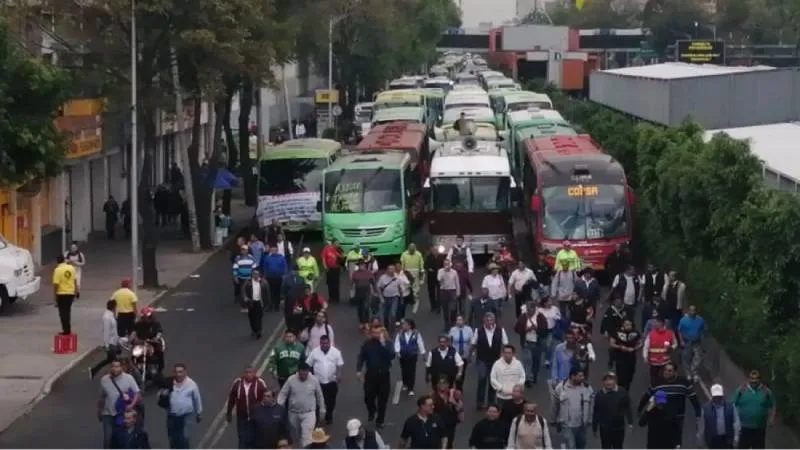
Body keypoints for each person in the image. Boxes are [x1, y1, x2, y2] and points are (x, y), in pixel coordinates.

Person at [637, 362, 701, 447]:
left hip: (678, 416)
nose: (666, 372)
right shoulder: (656, 383)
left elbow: (694, 399)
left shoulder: (684, 383)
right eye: (665, 370)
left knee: (675, 437)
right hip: (660, 419)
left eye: (670, 371)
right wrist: (640, 409)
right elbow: (646, 396)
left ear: (675, 372)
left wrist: (698, 416)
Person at [277, 362, 325, 448]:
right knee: (296, 437)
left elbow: (319, 396)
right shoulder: (291, 380)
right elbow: (283, 394)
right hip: (293, 413)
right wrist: (279, 407)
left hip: (309, 413)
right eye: (301, 374)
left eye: (305, 374)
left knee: (307, 438)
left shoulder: (314, 380)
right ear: (298, 372)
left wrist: (322, 409)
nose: (304, 376)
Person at [356, 325, 395, 428]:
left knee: (383, 400)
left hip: (384, 375)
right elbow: (361, 357)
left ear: (382, 333)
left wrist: (383, 344)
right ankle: (372, 410)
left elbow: (391, 356)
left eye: (378, 333)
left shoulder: (387, 343)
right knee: (368, 396)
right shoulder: (367, 344)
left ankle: (380, 420)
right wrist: (359, 370)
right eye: (373, 332)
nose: (375, 335)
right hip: (371, 375)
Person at [98, 359, 141, 448]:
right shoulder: (104, 380)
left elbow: (137, 393)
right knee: (108, 438)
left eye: (117, 366)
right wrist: (99, 410)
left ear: (121, 367)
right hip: (108, 413)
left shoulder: (128, 378)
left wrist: (131, 405)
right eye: (113, 366)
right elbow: (102, 396)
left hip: (122, 414)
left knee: (121, 438)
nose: (115, 369)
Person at [470, 312, 509, 410]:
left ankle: (491, 402)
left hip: (495, 360)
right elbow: (473, 344)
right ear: (484, 321)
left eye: (491, 320)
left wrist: (504, 356)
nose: (489, 322)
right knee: (482, 380)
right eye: (487, 320)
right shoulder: (478, 331)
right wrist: (470, 355)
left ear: (494, 320)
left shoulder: (501, 330)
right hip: (482, 359)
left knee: (493, 381)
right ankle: (480, 402)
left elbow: (505, 344)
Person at [225, 367, 269, 449]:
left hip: (256, 417)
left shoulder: (260, 383)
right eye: (246, 372)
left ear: (254, 373)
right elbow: (231, 399)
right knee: (242, 438)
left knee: (255, 438)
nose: (248, 374)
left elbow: (267, 398)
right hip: (242, 417)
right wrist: (229, 413)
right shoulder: (237, 383)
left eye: (250, 372)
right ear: (243, 373)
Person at [731, 369, 775, 449]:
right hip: (744, 428)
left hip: (760, 428)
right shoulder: (741, 390)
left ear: (760, 380)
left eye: (756, 381)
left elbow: (772, 405)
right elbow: (732, 404)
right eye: (752, 381)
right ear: (748, 380)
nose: (754, 383)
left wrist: (772, 418)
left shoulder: (766, 392)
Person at [553, 367, 594, 450]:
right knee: (570, 446)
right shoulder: (561, 388)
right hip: (567, 425)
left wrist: (590, 419)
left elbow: (592, 405)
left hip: (582, 425)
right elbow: (555, 405)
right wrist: (554, 419)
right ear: (572, 376)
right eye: (580, 376)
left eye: (583, 376)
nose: (582, 378)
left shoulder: (587, 388)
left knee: (581, 446)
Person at [306, 335, 343, 425]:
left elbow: (339, 365)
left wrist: (339, 375)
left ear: (329, 343)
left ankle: (329, 416)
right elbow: (309, 364)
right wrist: (311, 377)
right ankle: (316, 418)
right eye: (322, 343)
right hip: (318, 382)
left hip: (331, 381)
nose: (324, 345)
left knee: (331, 401)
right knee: (317, 401)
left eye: (326, 343)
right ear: (320, 343)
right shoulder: (314, 352)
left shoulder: (336, 352)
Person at [165, 363, 203, 450]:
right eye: (176, 372)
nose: (178, 374)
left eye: (180, 372)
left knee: (184, 439)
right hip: (172, 416)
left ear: (185, 372)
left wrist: (199, 413)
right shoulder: (169, 383)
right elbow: (160, 396)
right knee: (173, 440)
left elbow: (197, 399)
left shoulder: (192, 384)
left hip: (186, 416)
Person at [592, 372, 633, 449]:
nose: (608, 382)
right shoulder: (600, 395)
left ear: (615, 381)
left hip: (619, 428)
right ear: (603, 382)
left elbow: (627, 407)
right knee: (605, 447)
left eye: (611, 380)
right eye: (606, 380)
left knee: (618, 447)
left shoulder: (622, 392)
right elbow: (596, 412)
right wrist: (594, 428)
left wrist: (630, 422)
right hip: (605, 428)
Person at [698, 384, 740, 449]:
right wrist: (701, 442)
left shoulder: (731, 406)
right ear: (712, 396)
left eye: (719, 396)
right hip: (712, 441)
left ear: (722, 395)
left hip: (728, 439)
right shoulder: (705, 409)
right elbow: (701, 427)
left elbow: (736, 422)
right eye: (715, 396)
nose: (717, 398)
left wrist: (736, 437)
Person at [515, 300, 548, 385]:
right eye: (528, 309)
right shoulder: (523, 317)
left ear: (534, 309)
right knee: (527, 360)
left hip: (537, 343)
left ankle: (534, 375)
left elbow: (545, 330)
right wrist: (526, 330)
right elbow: (516, 328)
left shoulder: (540, 317)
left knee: (536, 360)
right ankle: (527, 378)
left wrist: (536, 329)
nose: (529, 311)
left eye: (531, 309)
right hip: (526, 342)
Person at [642, 316, 677, 385]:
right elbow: (646, 346)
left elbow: (675, 344)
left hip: (665, 362)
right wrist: (645, 357)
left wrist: (671, 347)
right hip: (654, 363)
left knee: (664, 380)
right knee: (654, 380)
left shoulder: (670, 333)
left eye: (656, 322)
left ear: (661, 323)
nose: (654, 323)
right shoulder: (651, 334)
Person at [608, 319, 641, 391]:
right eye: (626, 324)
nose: (628, 326)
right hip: (620, 357)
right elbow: (611, 343)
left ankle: (626, 390)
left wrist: (634, 349)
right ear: (623, 325)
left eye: (630, 325)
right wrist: (620, 347)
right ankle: (620, 391)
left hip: (631, 358)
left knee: (630, 376)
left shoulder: (635, 332)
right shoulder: (617, 332)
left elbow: (640, 343)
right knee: (621, 376)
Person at [90, 300, 120, 379]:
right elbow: (106, 331)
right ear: (114, 307)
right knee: (116, 361)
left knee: (109, 360)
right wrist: (106, 345)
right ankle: (115, 376)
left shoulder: (111, 315)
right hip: (110, 343)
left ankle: (94, 370)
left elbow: (114, 330)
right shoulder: (107, 317)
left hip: (113, 341)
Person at [396, 318, 426, 396]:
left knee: (412, 371)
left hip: (413, 355)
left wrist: (423, 353)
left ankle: (411, 388)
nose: (403, 326)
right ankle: (405, 383)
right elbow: (397, 343)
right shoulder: (400, 333)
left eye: (404, 324)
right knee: (404, 370)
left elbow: (420, 343)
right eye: (403, 324)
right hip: (403, 355)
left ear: (409, 325)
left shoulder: (416, 333)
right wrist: (398, 352)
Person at [130, 307, 165, 374]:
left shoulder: (155, 323)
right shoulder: (138, 324)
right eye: (144, 317)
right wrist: (132, 339)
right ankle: (136, 368)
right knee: (134, 355)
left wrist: (156, 338)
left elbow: (159, 332)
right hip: (141, 343)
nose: (146, 318)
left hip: (152, 342)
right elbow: (133, 332)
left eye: (148, 317)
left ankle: (159, 370)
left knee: (159, 353)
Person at [431, 378, 464, 449]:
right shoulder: (433, 396)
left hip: (450, 424)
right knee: (438, 444)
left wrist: (453, 401)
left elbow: (460, 407)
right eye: (440, 383)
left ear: (448, 385)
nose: (442, 385)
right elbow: (429, 411)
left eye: (444, 383)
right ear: (437, 385)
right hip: (438, 424)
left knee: (449, 442)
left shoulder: (454, 394)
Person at [490, 344, 526, 409]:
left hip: (515, 397)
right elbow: (493, 378)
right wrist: (500, 388)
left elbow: (522, 376)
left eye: (509, 353)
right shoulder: (497, 364)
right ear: (502, 353)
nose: (507, 355)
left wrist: (518, 388)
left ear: (513, 354)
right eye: (505, 353)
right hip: (502, 396)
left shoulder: (518, 364)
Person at [677, 305, 706, 381]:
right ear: (688, 311)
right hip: (687, 342)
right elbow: (679, 331)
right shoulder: (683, 320)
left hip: (697, 342)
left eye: (694, 310)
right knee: (686, 358)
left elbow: (702, 331)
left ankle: (694, 371)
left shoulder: (700, 320)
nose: (693, 312)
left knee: (698, 358)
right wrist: (681, 341)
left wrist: (703, 342)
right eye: (691, 310)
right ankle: (688, 374)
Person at [53, 254, 77, 335]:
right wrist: (76, 292)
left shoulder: (57, 270)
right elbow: (75, 281)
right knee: (67, 312)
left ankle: (66, 330)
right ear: (64, 260)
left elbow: (56, 285)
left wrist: (55, 298)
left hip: (62, 294)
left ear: (57, 261)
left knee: (63, 313)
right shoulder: (71, 268)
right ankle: (67, 329)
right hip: (70, 293)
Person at [447, 314, 473, 391]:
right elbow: (449, 341)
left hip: (465, 354)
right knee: (453, 370)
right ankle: (450, 387)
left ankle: (459, 388)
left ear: (464, 321)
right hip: (455, 354)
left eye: (460, 320)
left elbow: (472, 342)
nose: (459, 322)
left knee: (462, 372)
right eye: (457, 320)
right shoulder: (453, 329)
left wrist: (471, 354)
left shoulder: (469, 329)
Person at [243, 269, 269, 339]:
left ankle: (258, 331)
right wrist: (245, 298)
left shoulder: (263, 282)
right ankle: (254, 330)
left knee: (259, 317)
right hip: (251, 302)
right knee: (252, 317)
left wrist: (267, 303)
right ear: (252, 275)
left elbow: (267, 293)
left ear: (259, 274)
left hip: (259, 302)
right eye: (254, 274)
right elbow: (244, 291)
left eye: (257, 274)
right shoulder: (248, 282)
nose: (255, 275)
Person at [351, 260, 377, 330]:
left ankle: (366, 322)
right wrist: (352, 293)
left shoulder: (369, 273)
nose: (361, 266)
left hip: (366, 292)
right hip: (358, 292)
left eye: (362, 265)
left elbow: (373, 282)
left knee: (366, 307)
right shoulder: (355, 273)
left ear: (364, 266)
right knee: (359, 308)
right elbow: (352, 284)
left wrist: (375, 291)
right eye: (360, 265)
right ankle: (361, 322)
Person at [262, 245, 288, 312]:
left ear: (277, 250)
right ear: (270, 250)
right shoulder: (267, 258)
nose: (273, 251)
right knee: (270, 292)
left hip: (278, 277)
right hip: (269, 277)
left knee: (277, 292)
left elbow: (285, 266)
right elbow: (265, 267)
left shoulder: (281, 257)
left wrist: (284, 274)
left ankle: (277, 306)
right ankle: (270, 305)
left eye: (274, 250)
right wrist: (264, 276)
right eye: (272, 250)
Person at [537, 296, 560, 368]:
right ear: (545, 303)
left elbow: (559, 316)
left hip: (551, 330)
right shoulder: (540, 310)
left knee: (549, 345)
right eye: (549, 301)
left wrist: (556, 317)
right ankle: (543, 353)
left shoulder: (555, 309)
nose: (551, 303)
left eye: (551, 301)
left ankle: (547, 360)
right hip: (542, 330)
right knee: (543, 345)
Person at [376, 264, 403, 329]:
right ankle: (386, 326)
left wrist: (401, 298)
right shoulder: (382, 278)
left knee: (393, 313)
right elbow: (378, 287)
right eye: (390, 269)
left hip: (394, 297)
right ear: (387, 270)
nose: (391, 270)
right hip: (385, 298)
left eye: (393, 269)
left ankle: (392, 325)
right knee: (385, 314)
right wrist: (381, 297)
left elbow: (400, 288)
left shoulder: (397, 278)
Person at [437, 259, 461, 331]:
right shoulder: (440, 271)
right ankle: (447, 324)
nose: (447, 265)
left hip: (452, 291)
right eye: (445, 264)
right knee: (445, 309)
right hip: (444, 291)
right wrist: (444, 272)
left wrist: (458, 292)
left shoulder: (454, 272)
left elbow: (457, 282)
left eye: (448, 264)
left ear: (450, 264)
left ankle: (453, 322)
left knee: (453, 308)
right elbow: (439, 279)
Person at [400, 243, 425, 309]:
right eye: (410, 249)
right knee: (407, 285)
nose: (411, 251)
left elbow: (421, 264)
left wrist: (422, 275)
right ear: (408, 248)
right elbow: (402, 264)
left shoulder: (419, 254)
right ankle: (408, 299)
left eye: (413, 249)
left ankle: (415, 299)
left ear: (415, 248)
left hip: (415, 271)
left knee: (415, 287)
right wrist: (402, 272)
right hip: (406, 271)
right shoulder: (404, 254)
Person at [233, 245, 257, 311]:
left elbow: (254, 268)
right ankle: (244, 306)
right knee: (242, 291)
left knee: (249, 291)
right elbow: (235, 268)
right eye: (242, 250)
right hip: (241, 278)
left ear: (247, 250)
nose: (243, 251)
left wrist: (254, 276)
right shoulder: (238, 258)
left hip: (249, 278)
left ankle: (250, 305)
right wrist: (235, 277)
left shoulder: (251, 257)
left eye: (244, 250)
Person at [321, 239, 344, 304]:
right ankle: (331, 297)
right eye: (337, 243)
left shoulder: (339, 249)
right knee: (329, 283)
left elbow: (342, 259)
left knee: (336, 283)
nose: (338, 244)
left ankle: (336, 298)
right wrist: (325, 266)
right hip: (329, 268)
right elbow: (323, 258)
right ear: (333, 243)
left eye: (338, 243)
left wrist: (342, 267)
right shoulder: (327, 249)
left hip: (336, 269)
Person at [425, 245, 447, 313]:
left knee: (439, 293)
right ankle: (433, 306)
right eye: (433, 250)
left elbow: (444, 265)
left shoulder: (442, 257)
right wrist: (428, 268)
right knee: (431, 293)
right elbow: (425, 265)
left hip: (439, 277)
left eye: (436, 250)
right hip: (431, 277)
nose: (434, 251)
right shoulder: (429, 257)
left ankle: (438, 307)